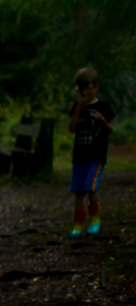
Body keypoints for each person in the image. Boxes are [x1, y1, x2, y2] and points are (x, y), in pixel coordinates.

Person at [67, 67, 115, 239]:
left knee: (90, 187)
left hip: (96, 156)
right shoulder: (77, 107)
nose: (84, 92)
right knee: (78, 192)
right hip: (79, 156)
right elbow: (71, 128)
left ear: (96, 87)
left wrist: (102, 120)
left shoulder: (103, 107)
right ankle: (78, 225)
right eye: (81, 88)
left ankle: (95, 221)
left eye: (88, 87)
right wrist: (79, 108)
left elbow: (110, 130)